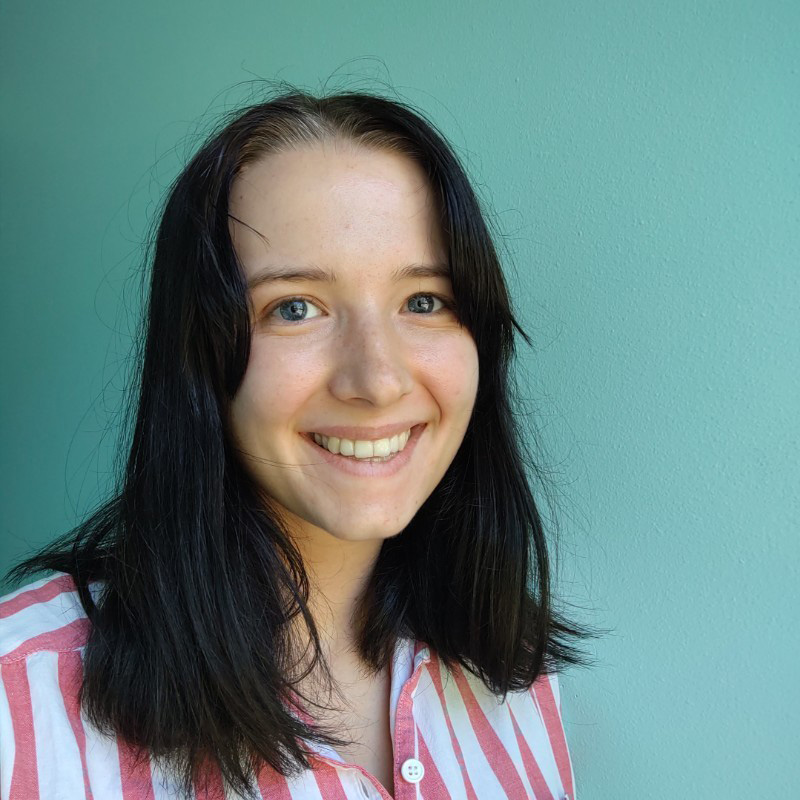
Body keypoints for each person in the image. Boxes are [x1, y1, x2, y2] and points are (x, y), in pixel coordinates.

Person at [0, 89, 590, 799]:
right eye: (296, 308)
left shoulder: (513, 666)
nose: (375, 379)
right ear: (201, 357)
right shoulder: (15, 704)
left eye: (424, 301)